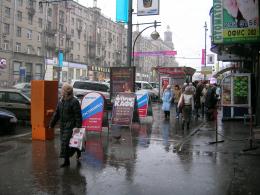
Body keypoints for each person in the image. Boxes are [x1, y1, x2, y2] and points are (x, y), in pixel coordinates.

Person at [49, 83, 82, 168]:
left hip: (71, 126)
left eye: (62, 90)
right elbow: (57, 114)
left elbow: (78, 115)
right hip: (63, 125)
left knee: (65, 143)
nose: (61, 91)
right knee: (64, 143)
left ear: (66, 92)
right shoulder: (61, 101)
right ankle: (67, 160)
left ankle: (76, 150)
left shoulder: (74, 101)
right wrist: (51, 124)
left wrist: (78, 126)